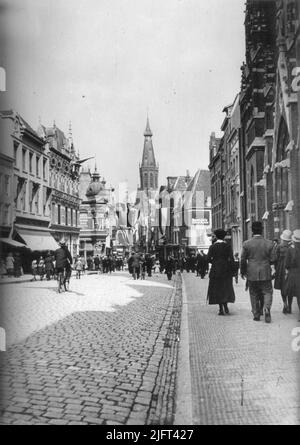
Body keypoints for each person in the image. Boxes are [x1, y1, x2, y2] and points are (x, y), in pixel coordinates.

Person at [241, 221, 276, 323]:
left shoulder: (246, 243)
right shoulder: (270, 243)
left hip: (251, 272)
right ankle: (266, 308)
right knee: (267, 291)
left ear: (252, 230)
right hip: (265, 271)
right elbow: (273, 259)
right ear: (262, 230)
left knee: (253, 293)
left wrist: (243, 271)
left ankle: (256, 314)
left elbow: (243, 259)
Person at [207, 229, 235, 315]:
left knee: (217, 288)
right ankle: (226, 306)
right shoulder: (228, 246)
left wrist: (214, 263)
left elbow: (208, 259)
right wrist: (231, 269)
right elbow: (231, 259)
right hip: (226, 270)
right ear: (224, 237)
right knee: (225, 288)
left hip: (215, 270)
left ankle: (220, 309)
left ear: (216, 236)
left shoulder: (212, 247)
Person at [274, 229, 292, 314]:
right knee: (290, 288)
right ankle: (290, 306)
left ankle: (285, 304)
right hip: (290, 268)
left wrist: (276, 268)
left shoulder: (279, 246)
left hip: (281, 268)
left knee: (282, 287)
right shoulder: (292, 247)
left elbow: (275, 259)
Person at [284, 229, 300, 319]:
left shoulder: (290, 249)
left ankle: (289, 308)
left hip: (292, 273)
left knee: (289, 291)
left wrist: (287, 269)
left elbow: (287, 263)